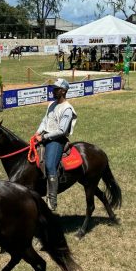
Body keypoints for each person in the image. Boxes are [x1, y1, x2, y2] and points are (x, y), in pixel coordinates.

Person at [34, 78, 77, 211]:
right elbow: (45, 120)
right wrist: (38, 132)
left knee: (50, 165)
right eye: (54, 89)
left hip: (57, 140)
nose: (53, 91)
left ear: (63, 91)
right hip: (44, 136)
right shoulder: (51, 104)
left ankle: (52, 200)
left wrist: (44, 137)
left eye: (56, 89)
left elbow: (62, 131)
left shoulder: (67, 109)